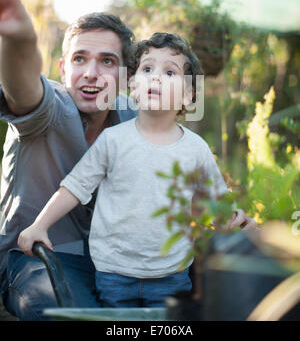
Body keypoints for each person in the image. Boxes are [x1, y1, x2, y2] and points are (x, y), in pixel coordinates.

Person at [18, 32, 257, 308]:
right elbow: (74, 186)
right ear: (131, 83)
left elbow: (214, 205)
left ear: (189, 95)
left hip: (173, 276)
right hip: (113, 274)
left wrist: (235, 222)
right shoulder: (113, 140)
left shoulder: (196, 149)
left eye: (169, 72)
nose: (155, 77)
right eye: (147, 69)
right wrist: (39, 225)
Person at [0, 0, 137, 320]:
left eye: (107, 61)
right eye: (80, 59)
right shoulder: (48, 108)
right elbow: (23, 84)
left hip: (114, 263)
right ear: (63, 69)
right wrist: (19, 40)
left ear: (124, 76)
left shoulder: (133, 120)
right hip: (35, 260)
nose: (91, 73)